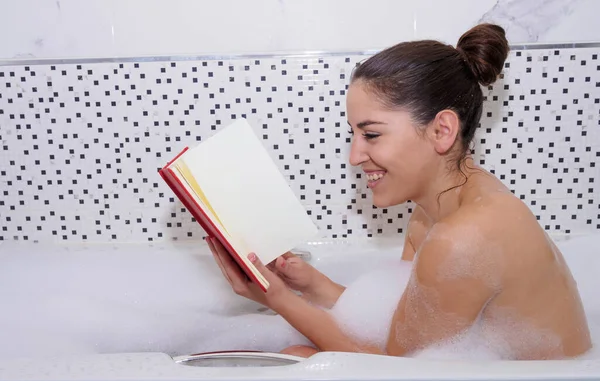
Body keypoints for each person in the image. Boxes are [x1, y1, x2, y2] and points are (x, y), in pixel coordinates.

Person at [207, 23, 592, 360]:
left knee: (297, 358)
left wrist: (277, 299)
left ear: (442, 130)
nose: (355, 155)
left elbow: (396, 372)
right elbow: (409, 326)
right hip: (490, 377)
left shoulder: (468, 235)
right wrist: (310, 284)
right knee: (296, 357)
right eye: (353, 135)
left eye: (371, 134)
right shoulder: (435, 211)